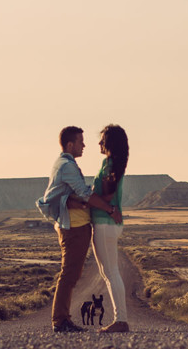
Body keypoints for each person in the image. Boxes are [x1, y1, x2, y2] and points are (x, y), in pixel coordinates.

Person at [37, 126, 92, 333]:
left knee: (71, 273)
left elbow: (72, 194)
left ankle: (62, 318)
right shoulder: (67, 166)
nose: (84, 145)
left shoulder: (64, 163)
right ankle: (60, 320)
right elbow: (84, 192)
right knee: (69, 273)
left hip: (74, 225)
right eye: (81, 141)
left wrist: (73, 199)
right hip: (73, 227)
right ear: (70, 144)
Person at [87, 123, 131, 332]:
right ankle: (120, 319)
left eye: (102, 140)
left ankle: (120, 320)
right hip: (110, 223)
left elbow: (106, 196)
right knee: (110, 272)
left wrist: (85, 198)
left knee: (111, 272)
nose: (98, 143)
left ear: (109, 143)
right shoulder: (116, 164)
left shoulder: (108, 164)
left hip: (104, 223)